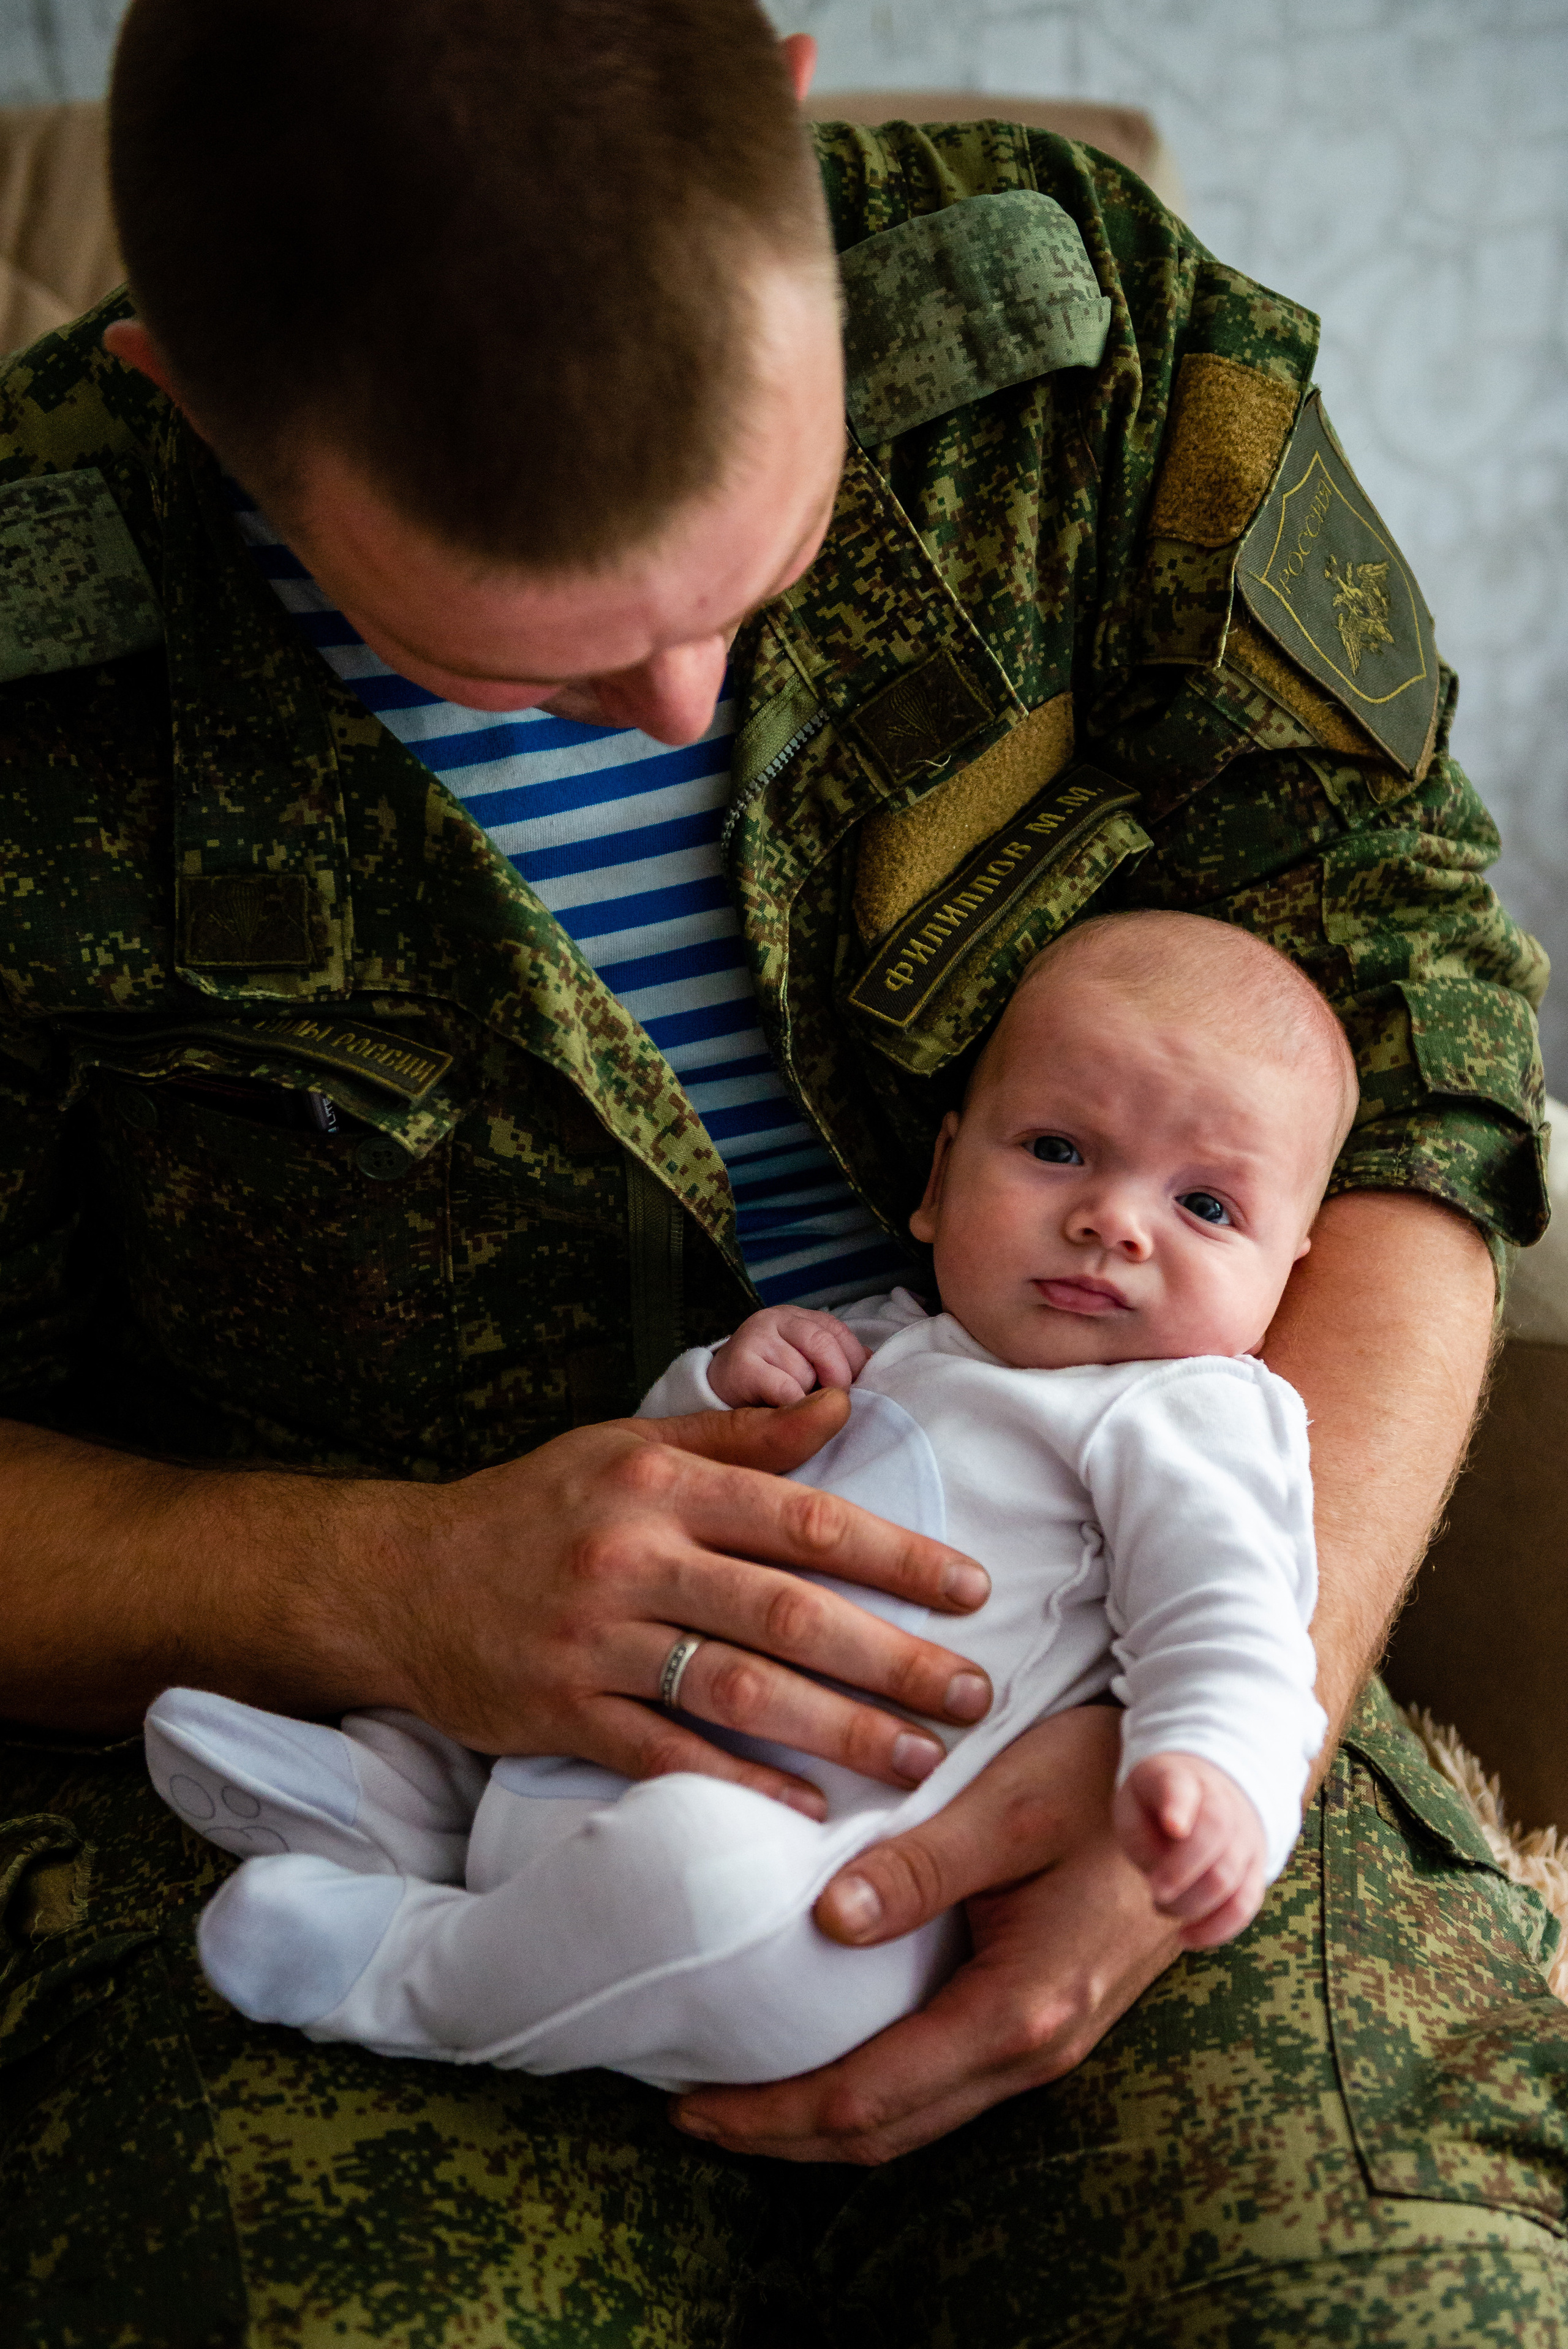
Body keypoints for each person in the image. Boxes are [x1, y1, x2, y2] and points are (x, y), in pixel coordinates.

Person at [0, 0, 1561, 2339]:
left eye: (770, 546)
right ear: (182, 393)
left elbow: (1433, 1037)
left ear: (803, 122)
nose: (684, 705)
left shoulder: (1088, 353)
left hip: (1123, 1676)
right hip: (346, 1741)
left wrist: (1231, 1723)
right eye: (525, 666)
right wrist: (370, 1580)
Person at [144, 909, 1344, 2087]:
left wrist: (1212, 1779)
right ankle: (404, 1808)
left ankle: (405, 1966)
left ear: (1287, 1268)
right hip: (600, 1733)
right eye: (1054, 1151)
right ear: (939, 1176)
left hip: (819, 1877)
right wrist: (716, 1381)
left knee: (707, 1891)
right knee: (515, 1649)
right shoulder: (881, 1344)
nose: (1109, 1221)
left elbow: (1232, 1627)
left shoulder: (1187, 1411)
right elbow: (652, 1494)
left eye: (1204, 1206)